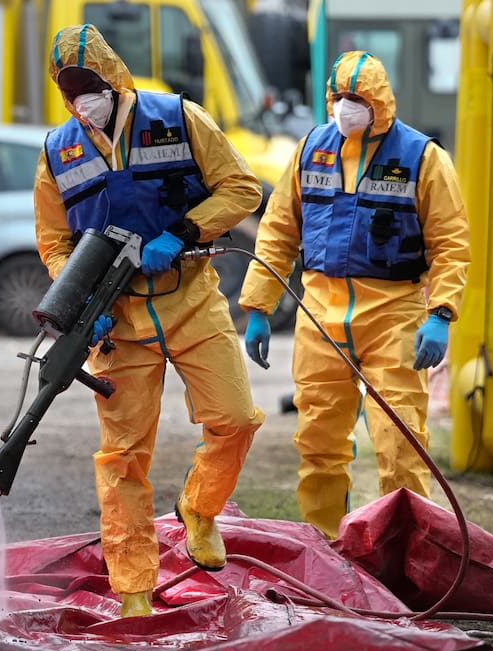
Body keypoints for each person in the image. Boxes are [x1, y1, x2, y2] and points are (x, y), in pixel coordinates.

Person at [33, 24, 265, 618]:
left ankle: (200, 508)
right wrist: (81, 300)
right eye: (70, 90)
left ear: (113, 79)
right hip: (116, 318)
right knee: (123, 456)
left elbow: (242, 189)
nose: (81, 99)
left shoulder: (178, 119)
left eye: (89, 85)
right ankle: (133, 588)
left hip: (190, 297)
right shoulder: (58, 151)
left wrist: (183, 231)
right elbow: (55, 240)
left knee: (235, 419)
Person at [238, 51, 470, 540]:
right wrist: (258, 307)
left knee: (400, 442)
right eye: (338, 97)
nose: (345, 107)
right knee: (318, 439)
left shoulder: (422, 158)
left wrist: (441, 313)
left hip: (393, 312)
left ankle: (403, 556)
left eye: (356, 99)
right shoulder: (311, 150)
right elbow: (279, 229)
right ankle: (323, 547)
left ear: (379, 101)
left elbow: (450, 242)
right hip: (320, 311)